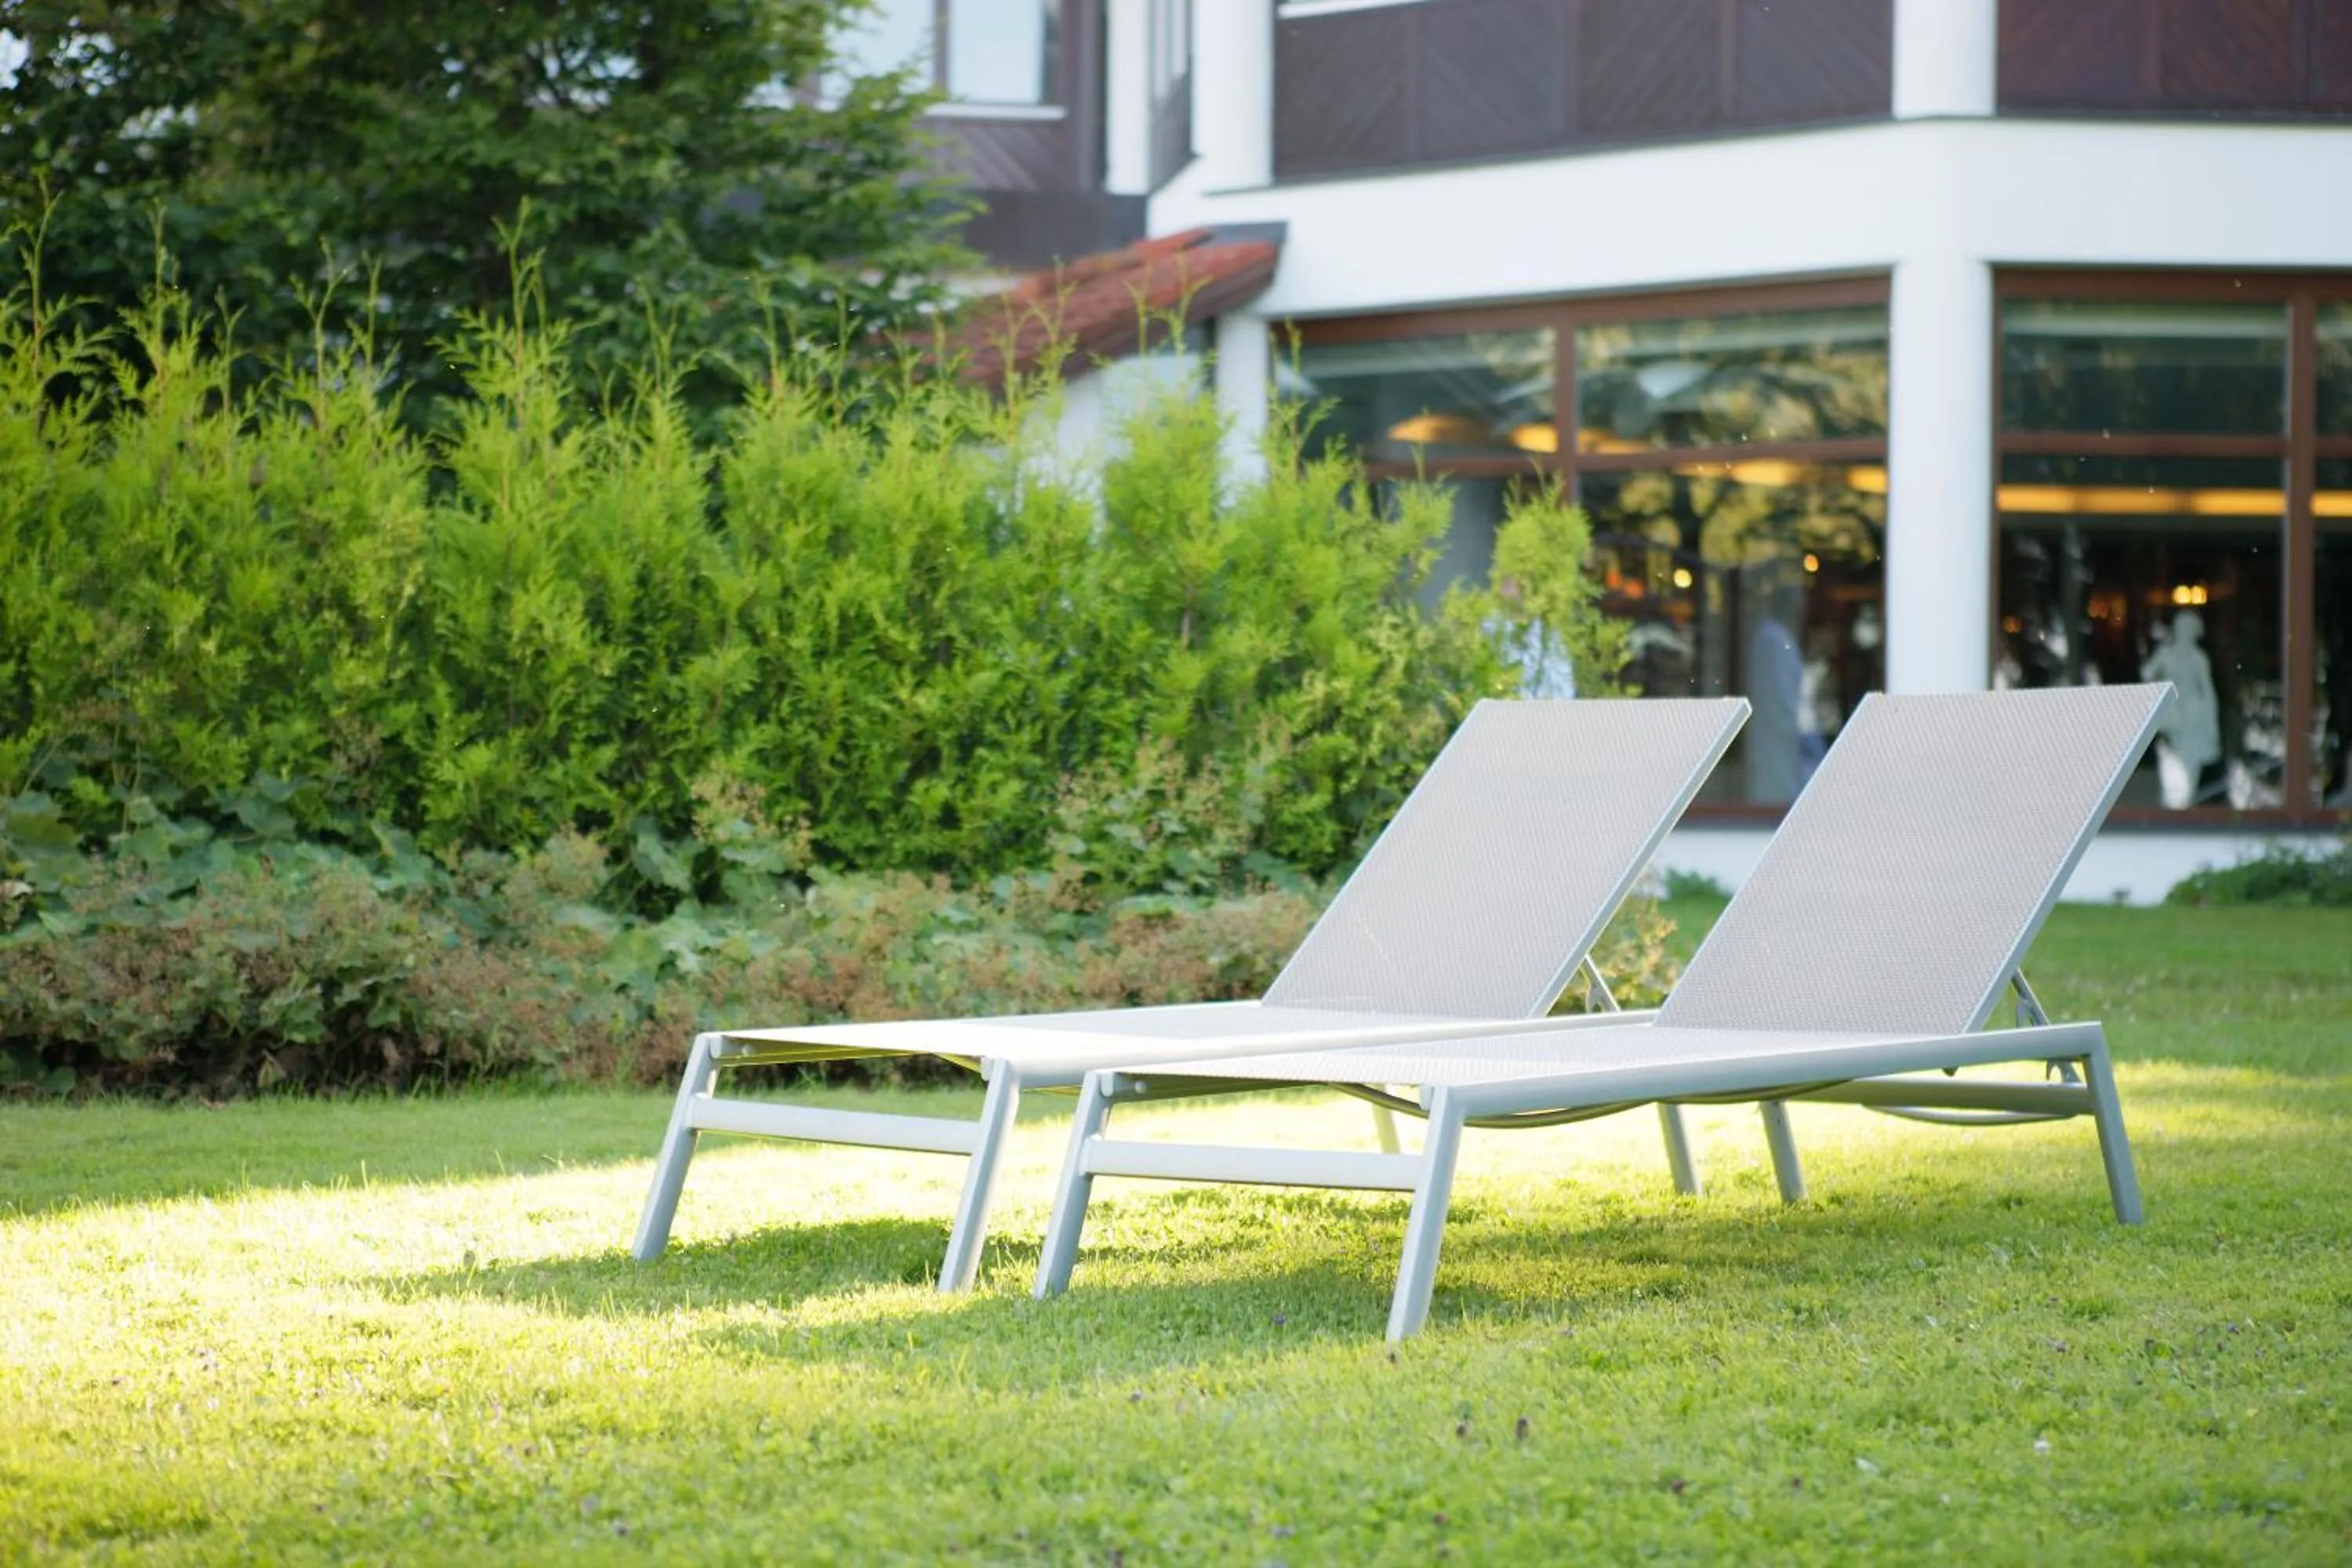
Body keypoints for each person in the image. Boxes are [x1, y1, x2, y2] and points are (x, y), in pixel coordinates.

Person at [2140, 609, 2222, 809]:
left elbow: (2208, 690)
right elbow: (2146, 674)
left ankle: (2185, 806)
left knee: (2191, 762)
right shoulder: (2166, 654)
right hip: (2171, 716)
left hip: (2192, 716)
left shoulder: (2198, 658)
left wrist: (2211, 722)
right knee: (2169, 761)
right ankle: (2172, 806)